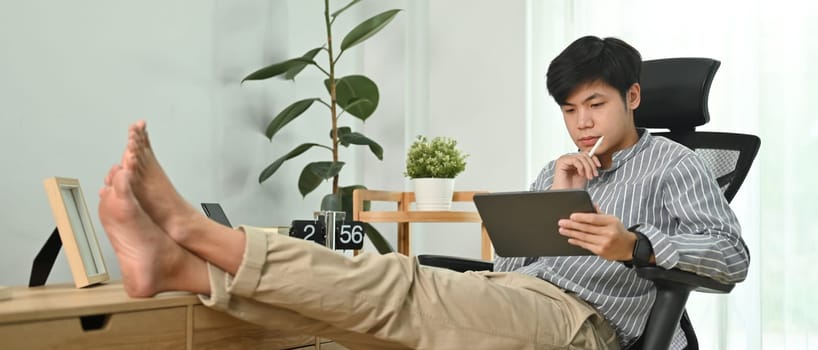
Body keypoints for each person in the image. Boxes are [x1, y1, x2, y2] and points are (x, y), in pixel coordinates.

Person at [98, 36, 748, 350]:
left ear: (633, 98)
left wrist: (634, 243)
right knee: (335, 328)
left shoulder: (675, 165)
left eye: (596, 105)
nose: (582, 123)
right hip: (517, 301)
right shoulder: (562, 169)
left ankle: (199, 237)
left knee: (395, 288)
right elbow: (509, 272)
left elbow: (731, 259)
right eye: (570, 110)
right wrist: (552, 206)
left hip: (583, 326)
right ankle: (179, 269)